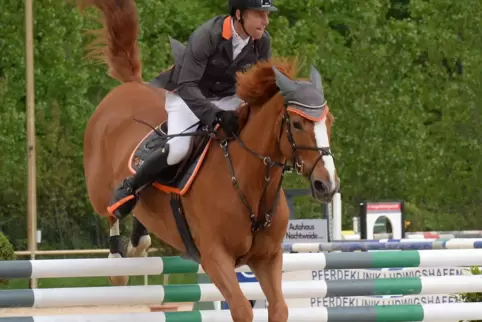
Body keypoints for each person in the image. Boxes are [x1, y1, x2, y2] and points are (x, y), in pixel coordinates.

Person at [107, 0, 277, 219]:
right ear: (238, 14)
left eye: (267, 15)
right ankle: (131, 186)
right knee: (179, 149)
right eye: (259, 15)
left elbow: (260, 87)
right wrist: (214, 116)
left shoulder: (262, 43)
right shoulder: (208, 35)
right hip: (188, 95)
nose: (266, 21)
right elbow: (187, 85)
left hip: (227, 98)